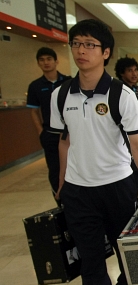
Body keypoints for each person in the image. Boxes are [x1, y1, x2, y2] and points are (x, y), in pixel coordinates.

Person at [50, 19, 138, 285]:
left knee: (125, 250)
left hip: (118, 187)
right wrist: (61, 181)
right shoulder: (60, 95)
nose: (81, 51)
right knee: (91, 260)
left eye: (89, 45)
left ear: (105, 52)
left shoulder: (121, 95)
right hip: (78, 191)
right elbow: (64, 140)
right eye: (76, 44)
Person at [26, 47, 71, 202]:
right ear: (38, 63)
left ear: (56, 61)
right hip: (50, 135)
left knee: (74, 167)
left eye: (49, 59)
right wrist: (41, 132)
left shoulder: (68, 82)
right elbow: (34, 111)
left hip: (70, 134)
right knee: (55, 170)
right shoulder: (35, 86)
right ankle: (60, 200)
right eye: (42, 60)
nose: (46, 63)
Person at [114, 57, 138, 144]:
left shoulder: (132, 88)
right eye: (130, 71)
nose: (134, 74)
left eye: (135, 70)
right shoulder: (120, 90)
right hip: (124, 136)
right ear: (122, 73)